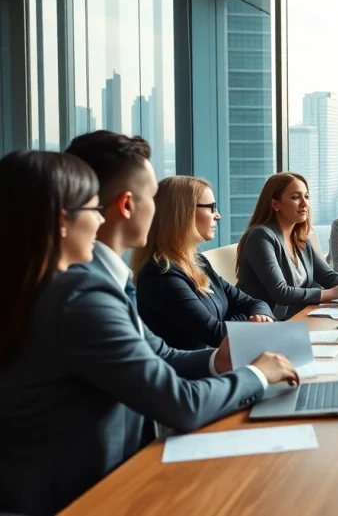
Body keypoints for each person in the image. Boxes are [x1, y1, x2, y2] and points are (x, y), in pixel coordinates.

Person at [0, 144, 297, 516]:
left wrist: (218, 360)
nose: (98, 223)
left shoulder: (68, 287)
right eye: (93, 209)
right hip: (79, 499)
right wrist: (257, 375)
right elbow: (180, 404)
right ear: (63, 220)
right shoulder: (79, 297)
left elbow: (161, 354)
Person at [132, 176, 275, 350]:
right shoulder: (160, 274)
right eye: (211, 208)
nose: (218, 216)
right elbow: (216, 335)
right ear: (183, 212)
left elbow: (254, 303)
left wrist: (257, 316)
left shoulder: (198, 262)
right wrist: (252, 322)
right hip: (193, 373)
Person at [236, 172, 338, 319]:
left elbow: (328, 276)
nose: (304, 203)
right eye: (295, 197)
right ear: (275, 204)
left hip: (298, 317)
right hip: (264, 323)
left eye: (306, 196)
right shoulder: (261, 236)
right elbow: (281, 293)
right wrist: (332, 293)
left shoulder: (300, 239)